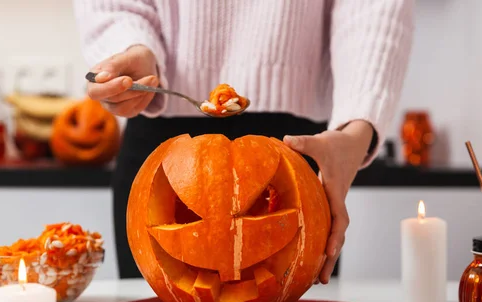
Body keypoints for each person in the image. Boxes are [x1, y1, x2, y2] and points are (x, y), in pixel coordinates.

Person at [73, 0, 414, 283]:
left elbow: (372, 9)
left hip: (298, 147)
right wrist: (132, 47)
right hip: (161, 138)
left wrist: (355, 130)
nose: (226, 230)